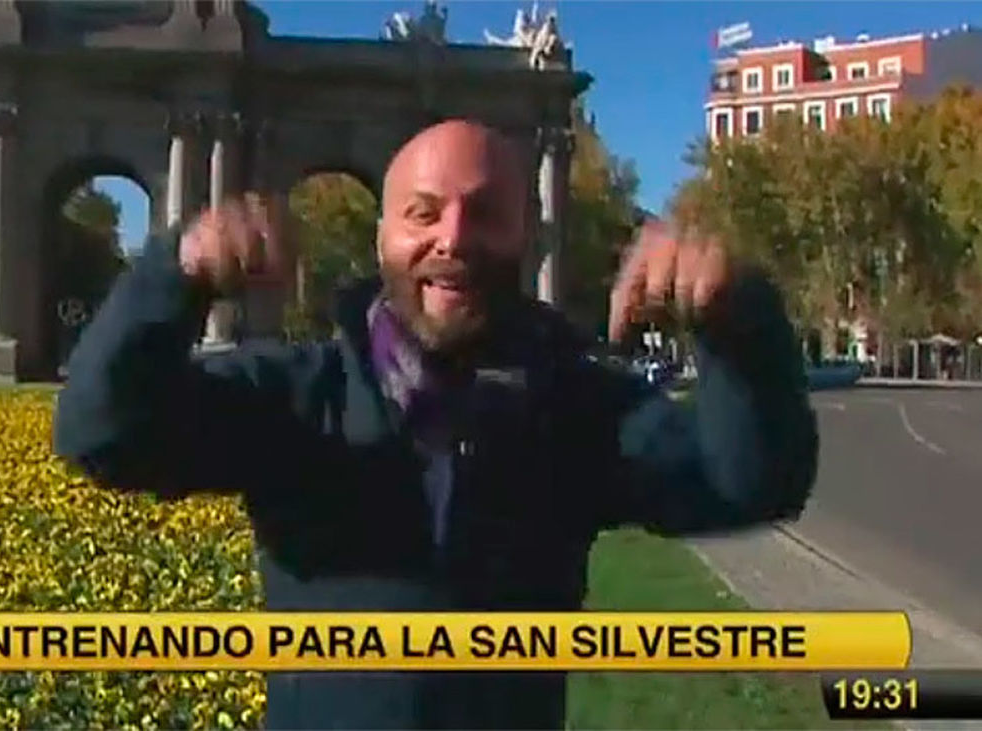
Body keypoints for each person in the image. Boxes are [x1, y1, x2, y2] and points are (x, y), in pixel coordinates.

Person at [54, 119, 817, 729]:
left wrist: (736, 322)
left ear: (525, 235)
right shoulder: (297, 397)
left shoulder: (576, 408)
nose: (451, 238)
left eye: (484, 213)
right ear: (382, 235)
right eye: (423, 212)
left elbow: (751, 482)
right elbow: (100, 434)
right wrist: (173, 276)